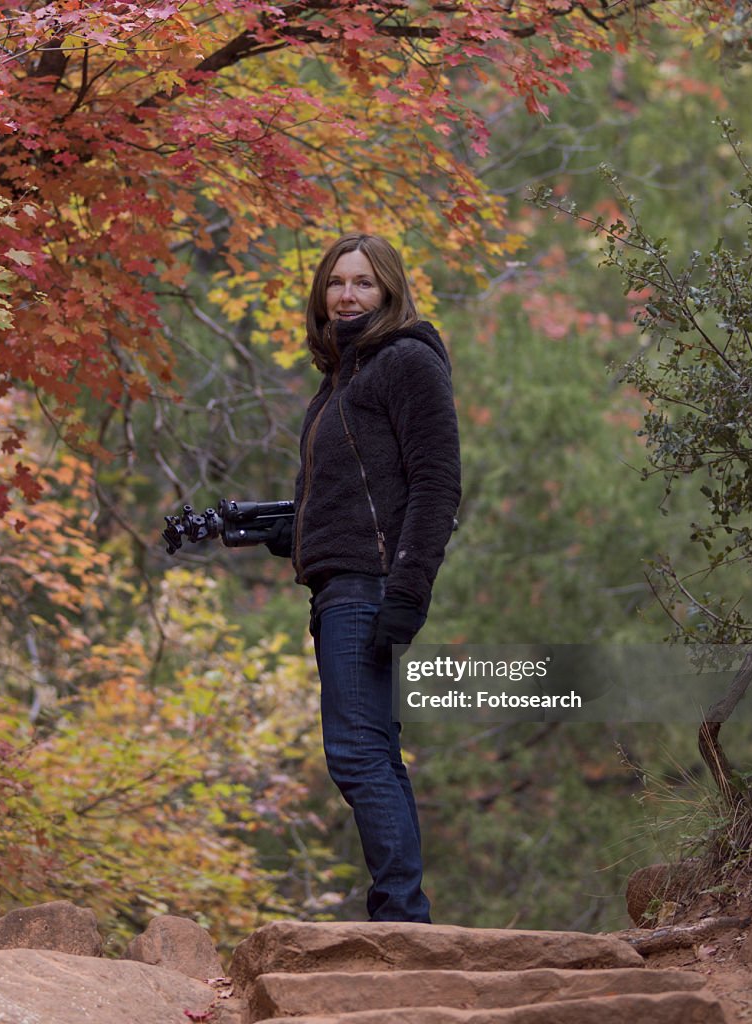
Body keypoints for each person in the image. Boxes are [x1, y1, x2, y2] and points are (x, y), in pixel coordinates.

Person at [268, 232, 461, 923]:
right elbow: (357, 489)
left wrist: (409, 591)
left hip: (367, 586)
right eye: (337, 282)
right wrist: (289, 531)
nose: (348, 294)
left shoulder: (405, 362)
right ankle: (405, 913)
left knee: (355, 752)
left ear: (389, 291)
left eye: (364, 283)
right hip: (339, 584)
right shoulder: (341, 378)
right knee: (374, 750)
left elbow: (436, 485)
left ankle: (401, 918)